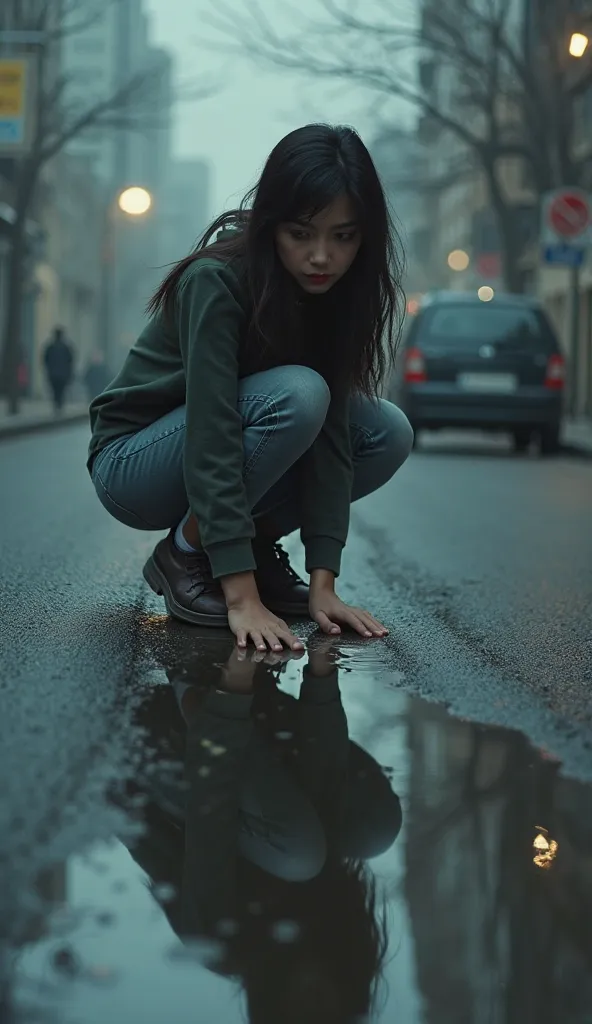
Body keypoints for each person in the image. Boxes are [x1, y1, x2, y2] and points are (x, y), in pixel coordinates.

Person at [87, 123, 414, 651]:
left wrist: (325, 582)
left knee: (385, 431)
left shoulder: (333, 296)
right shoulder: (216, 281)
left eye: (343, 236)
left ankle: (253, 545)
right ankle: (184, 553)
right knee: (299, 394)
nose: (322, 257)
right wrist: (241, 596)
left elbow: (330, 439)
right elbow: (214, 429)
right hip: (133, 464)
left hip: (212, 449)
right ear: (270, 226)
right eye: (301, 233)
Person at [43, 326, 74, 413]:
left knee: (55, 390)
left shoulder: (50, 347)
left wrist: (48, 370)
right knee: (61, 390)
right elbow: (70, 361)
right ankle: (59, 405)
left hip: (53, 374)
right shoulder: (66, 348)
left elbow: (46, 360)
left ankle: (56, 404)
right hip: (63, 375)